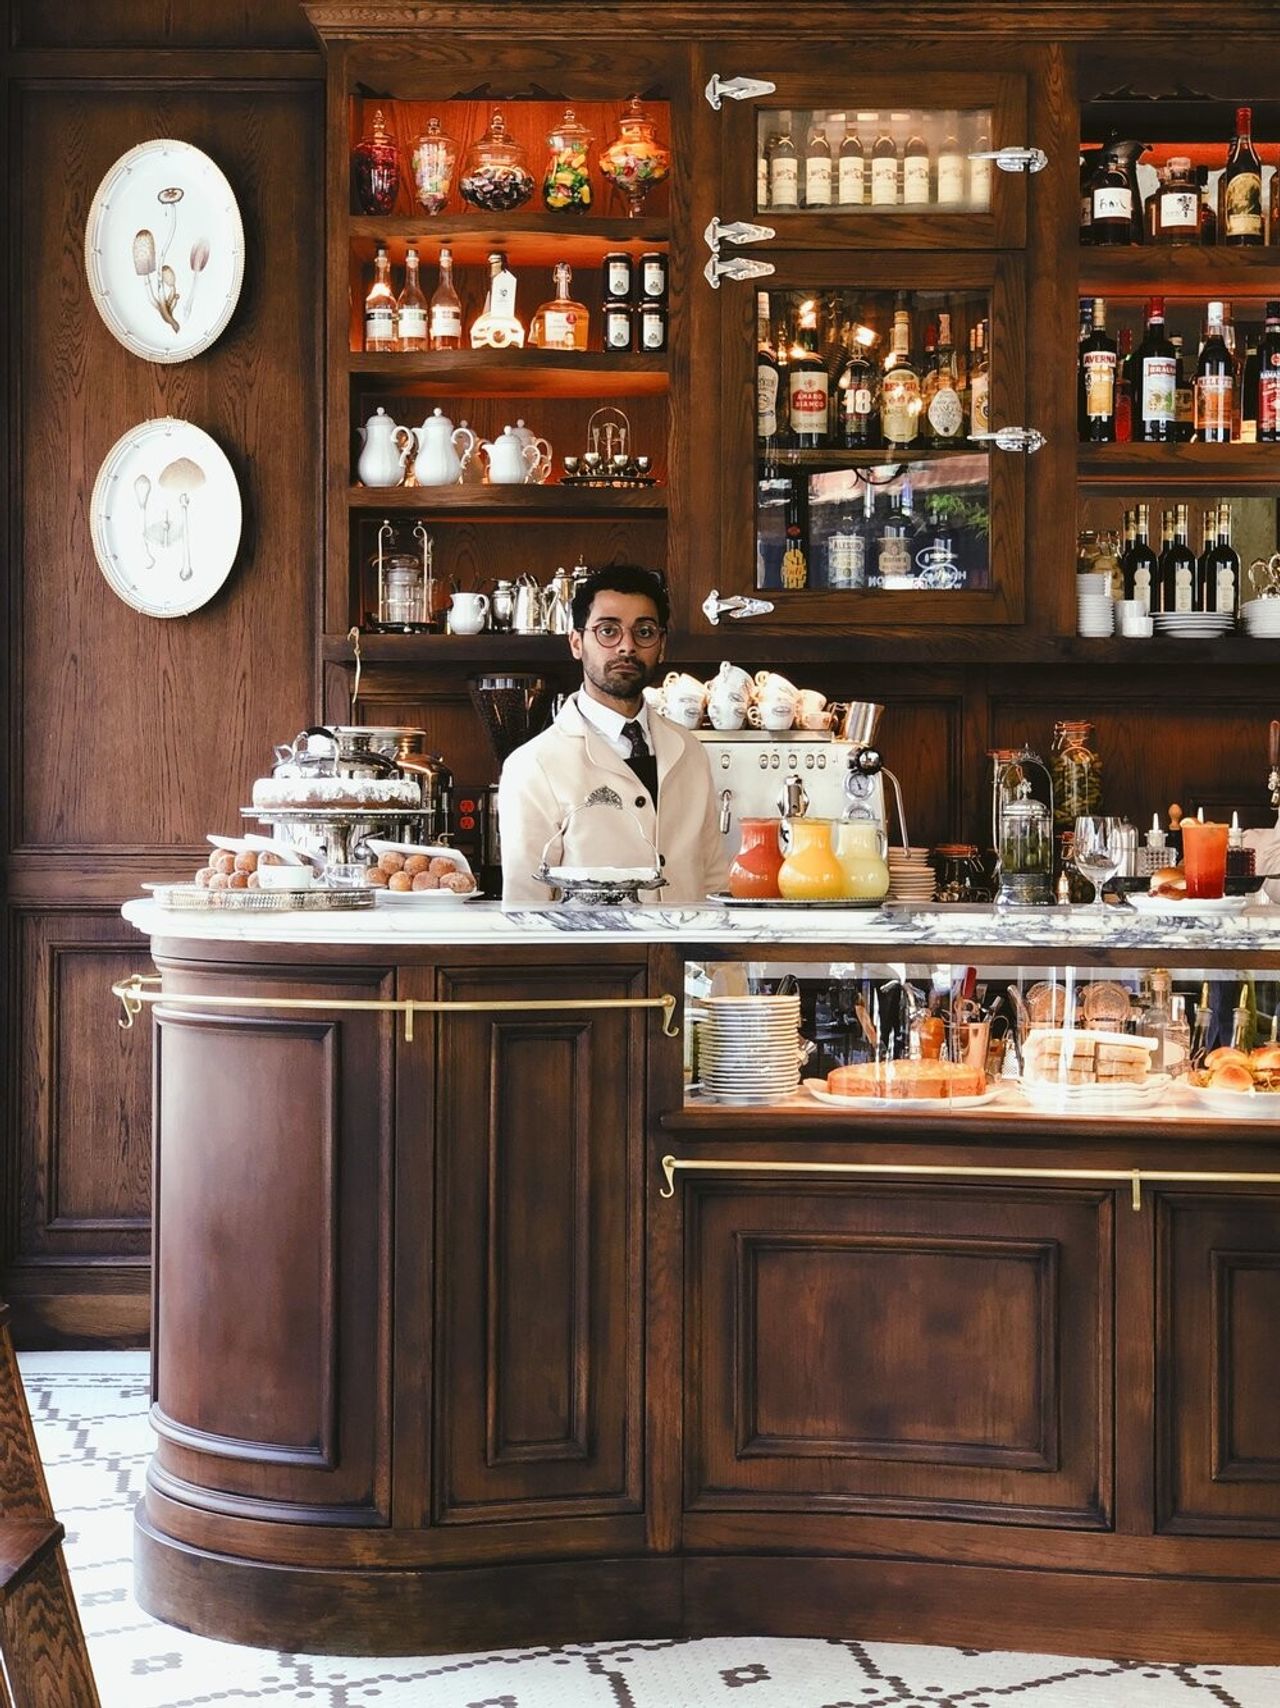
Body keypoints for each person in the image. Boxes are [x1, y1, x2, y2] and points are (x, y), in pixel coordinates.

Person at [497, 564, 728, 904]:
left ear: (662, 645)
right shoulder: (533, 765)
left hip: (684, 955)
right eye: (608, 631)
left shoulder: (689, 750)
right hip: (593, 957)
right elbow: (525, 904)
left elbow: (712, 878)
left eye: (645, 632)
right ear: (577, 642)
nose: (627, 647)